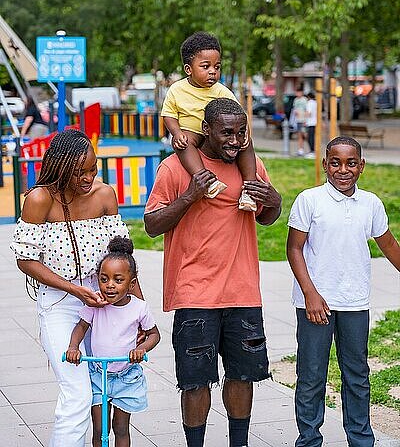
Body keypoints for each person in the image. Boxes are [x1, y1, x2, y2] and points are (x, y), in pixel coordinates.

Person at [145, 97, 282, 447]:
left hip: (242, 289)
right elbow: (151, 225)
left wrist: (275, 202)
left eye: (241, 133)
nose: (236, 141)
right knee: (195, 380)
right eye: (227, 134)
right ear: (206, 130)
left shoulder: (251, 165)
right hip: (194, 293)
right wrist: (190, 196)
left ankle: (240, 443)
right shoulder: (176, 168)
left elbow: (264, 217)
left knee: (243, 375)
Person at [10, 128, 144, 447]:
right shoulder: (40, 199)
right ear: (60, 167)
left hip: (105, 301)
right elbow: (25, 259)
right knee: (78, 395)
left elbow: (122, 259)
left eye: (92, 169)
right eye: (79, 171)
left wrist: (140, 312)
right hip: (59, 303)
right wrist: (75, 290)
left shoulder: (104, 195)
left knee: (106, 390)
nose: (88, 178)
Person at [286, 136, 400, 447]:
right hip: (315, 304)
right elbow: (294, 249)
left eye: (351, 163)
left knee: (357, 375)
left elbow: (388, 244)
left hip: (355, 303)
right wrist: (310, 293)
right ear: (325, 165)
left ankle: (361, 439)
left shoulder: (371, 204)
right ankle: (309, 439)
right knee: (311, 377)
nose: (343, 169)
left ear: (361, 166)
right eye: (335, 162)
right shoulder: (310, 200)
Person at [66, 236, 160, 447]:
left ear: (132, 283)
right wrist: (73, 347)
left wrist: (141, 348)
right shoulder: (96, 304)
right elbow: (81, 326)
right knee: (100, 428)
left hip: (127, 376)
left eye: (118, 280)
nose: (109, 286)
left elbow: (154, 334)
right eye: (104, 279)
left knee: (120, 428)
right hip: (99, 375)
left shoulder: (139, 307)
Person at [161, 31, 257, 211]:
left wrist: (245, 134)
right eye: (206, 66)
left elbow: (238, 115)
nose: (213, 71)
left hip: (218, 136)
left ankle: (250, 188)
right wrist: (177, 133)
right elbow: (169, 115)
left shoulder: (222, 91)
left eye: (217, 66)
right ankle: (205, 179)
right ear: (189, 69)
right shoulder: (177, 90)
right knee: (183, 143)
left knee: (246, 144)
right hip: (192, 132)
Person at [292, 86, 308, 156]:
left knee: (305, 135)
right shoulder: (295, 100)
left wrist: (306, 120)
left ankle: (311, 149)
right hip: (298, 120)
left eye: (299, 92)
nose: (298, 94)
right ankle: (300, 150)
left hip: (304, 120)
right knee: (299, 135)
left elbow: (307, 110)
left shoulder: (304, 100)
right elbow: (294, 109)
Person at [304, 92, 317, 158]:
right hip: (315, 122)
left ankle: (312, 151)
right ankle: (313, 151)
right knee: (312, 137)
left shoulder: (309, 103)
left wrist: (304, 115)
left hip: (310, 122)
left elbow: (309, 113)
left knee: (310, 138)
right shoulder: (315, 103)